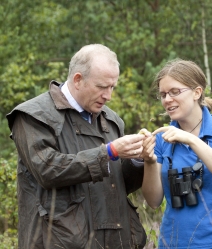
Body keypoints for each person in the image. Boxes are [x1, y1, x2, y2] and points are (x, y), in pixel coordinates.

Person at [6, 44, 147, 249]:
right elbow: (47, 170)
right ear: (78, 79)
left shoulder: (112, 120)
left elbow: (118, 185)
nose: (108, 96)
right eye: (101, 87)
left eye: (112, 87)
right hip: (59, 243)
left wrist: (137, 160)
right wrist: (108, 152)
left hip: (115, 241)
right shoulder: (32, 117)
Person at [140, 59, 212, 249]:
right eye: (163, 94)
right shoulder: (162, 138)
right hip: (173, 243)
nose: (167, 100)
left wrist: (190, 139)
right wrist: (149, 161)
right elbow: (153, 201)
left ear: (197, 92)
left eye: (175, 92)